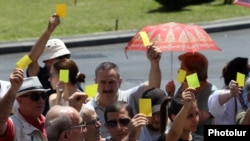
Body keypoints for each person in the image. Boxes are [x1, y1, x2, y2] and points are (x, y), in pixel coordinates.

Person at [86, 45, 162, 137]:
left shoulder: (130, 97)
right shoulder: (89, 110)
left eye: (111, 82)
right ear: (95, 82)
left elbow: (153, 87)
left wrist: (154, 63)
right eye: (103, 82)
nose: (107, 87)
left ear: (120, 82)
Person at [27, 13, 72, 115]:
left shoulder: (67, 73)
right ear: (47, 60)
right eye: (60, 57)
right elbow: (32, 59)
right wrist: (49, 31)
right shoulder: (38, 75)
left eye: (66, 57)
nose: (64, 60)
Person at [165, 52, 217, 136]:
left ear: (193, 72)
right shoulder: (186, 85)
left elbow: (198, 119)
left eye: (182, 68)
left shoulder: (211, 92)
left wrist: (190, 98)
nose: (179, 71)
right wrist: (171, 94)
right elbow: (174, 112)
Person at [0, 69, 48, 141]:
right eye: (34, 97)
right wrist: (13, 89)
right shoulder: (13, 125)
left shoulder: (50, 122)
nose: (41, 100)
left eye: (43, 95)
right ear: (19, 100)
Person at [208, 57, 249, 125]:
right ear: (240, 77)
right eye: (248, 71)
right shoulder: (227, 96)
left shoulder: (245, 96)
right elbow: (214, 106)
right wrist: (231, 93)